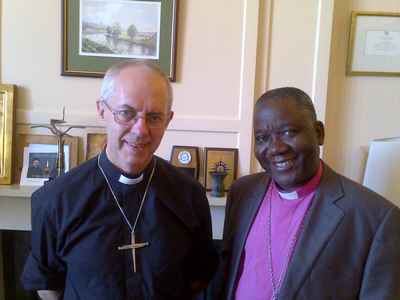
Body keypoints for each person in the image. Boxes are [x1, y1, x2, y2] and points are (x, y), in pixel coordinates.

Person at [21, 61, 218, 300]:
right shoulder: (55, 198)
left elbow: (199, 278)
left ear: (168, 120)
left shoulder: (190, 195)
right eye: (126, 113)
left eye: (154, 117)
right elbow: (47, 285)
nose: (141, 130)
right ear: (102, 110)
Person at [218, 87, 400, 299]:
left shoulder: (377, 218)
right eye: (262, 138)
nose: (275, 148)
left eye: (288, 132)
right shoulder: (242, 192)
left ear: (319, 133)